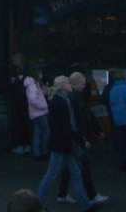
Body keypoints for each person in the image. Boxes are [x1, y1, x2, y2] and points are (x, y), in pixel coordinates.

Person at [35, 76, 102, 212]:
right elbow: (67, 126)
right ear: (62, 86)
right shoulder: (62, 102)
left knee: (67, 172)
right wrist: (81, 140)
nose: (70, 84)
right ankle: (85, 204)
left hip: (61, 142)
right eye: (68, 82)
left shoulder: (58, 101)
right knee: (59, 173)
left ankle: (86, 205)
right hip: (63, 143)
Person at [57, 72, 107, 205]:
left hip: (74, 137)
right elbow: (83, 117)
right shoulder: (76, 99)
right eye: (82, 84)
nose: (84, 86)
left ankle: (63, 193)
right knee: (83, 166)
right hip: (78, 137)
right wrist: (88, 134)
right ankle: (91, 195)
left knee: (69, 167)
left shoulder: (70, 98)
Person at [8, 54, 31, 155]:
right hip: (21, 98)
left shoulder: (24, 72)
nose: (14, 63)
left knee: (23, 122)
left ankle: (25, 144)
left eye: (15, 61)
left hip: (23, 99)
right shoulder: (21, 71)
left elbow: (14, 82)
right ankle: (26, 145)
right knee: (23, 121)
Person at [24, 68, 50, 160]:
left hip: (35, 113)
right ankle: (44, 150)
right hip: (39, 112)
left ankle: (37, 152)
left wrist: (44, 90)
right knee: (46, 131)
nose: (42, 75)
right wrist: (43, 106)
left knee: (37, 132)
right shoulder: (33, 86)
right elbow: (33, 100)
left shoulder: (34, 85)